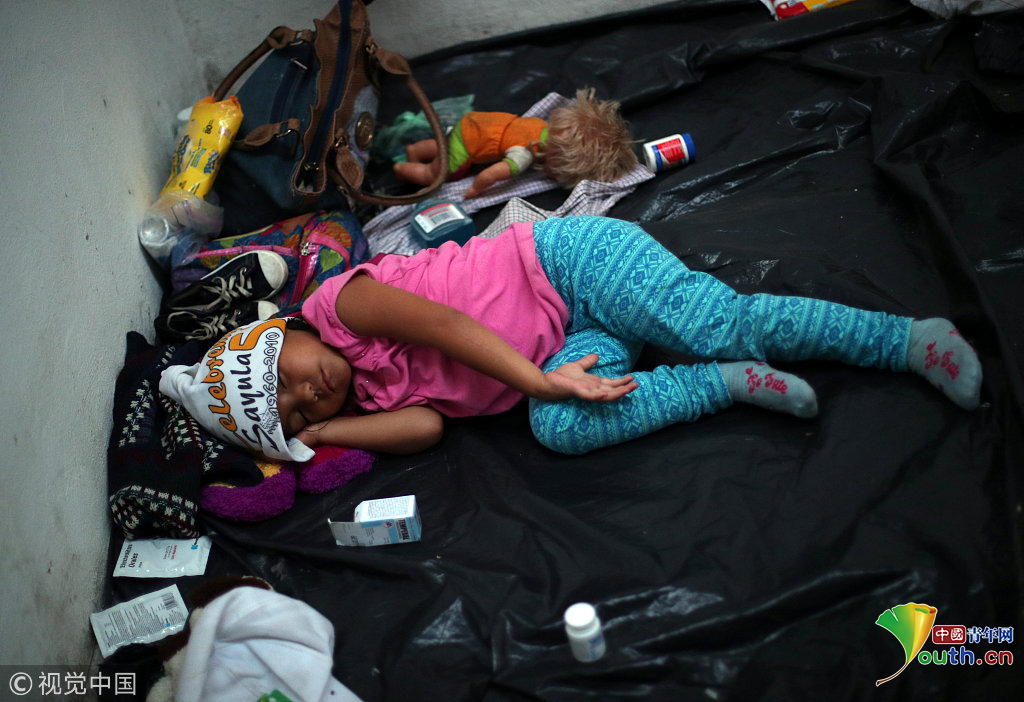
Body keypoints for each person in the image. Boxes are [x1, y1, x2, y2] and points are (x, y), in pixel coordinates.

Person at [160, 216, 983, 462]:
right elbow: (427, 427)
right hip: (567, 348)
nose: (311, 394)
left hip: (572, 267)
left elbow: (446, 326)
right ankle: (721, 383)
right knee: (556, 430)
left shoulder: (343, 303)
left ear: (285, 334)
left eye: (291, 380)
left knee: (714, 321)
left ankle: (905, 338)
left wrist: (539, 380)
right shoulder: (363, 400)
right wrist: (321, 435)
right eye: (299, 411)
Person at [393, 88, 638, 199]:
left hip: (472, 123)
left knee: (443, 145)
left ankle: (414, 151)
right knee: (437, 173)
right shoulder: (524, 155)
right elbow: (489, 175)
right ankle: (403, 170)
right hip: (467, 144)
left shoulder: (541, 125)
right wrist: (474, 191)